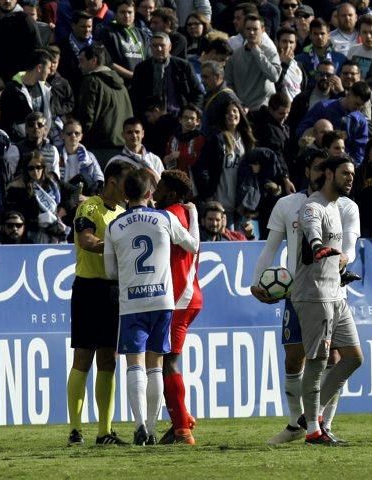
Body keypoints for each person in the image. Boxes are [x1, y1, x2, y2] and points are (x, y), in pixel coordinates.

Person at [252, 149, 360, 444]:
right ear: (314, 172)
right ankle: (298, 424)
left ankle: (319, 421)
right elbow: (271, 247)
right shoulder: (291, 205)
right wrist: (255, 281)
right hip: (301, 290)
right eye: (316, 168)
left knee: (339, 358)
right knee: (295, 360)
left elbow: (349, 245)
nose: (321, 173)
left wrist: (342, 260)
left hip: (334, 290)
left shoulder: (346, 207)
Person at [104, 169, 199, 446]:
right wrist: (192, 217)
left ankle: (139, 425)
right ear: (149, 193)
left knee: (134, 364)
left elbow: (111, 271)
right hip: (162, 300)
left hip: (131, 301)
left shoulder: (115, 226)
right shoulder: (165, 217)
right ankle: (154, 427)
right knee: (156, 366)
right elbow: (192, 245)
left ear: (126, 193)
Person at [291, 155, 363, 445]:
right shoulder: (313, 206)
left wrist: (341, 267)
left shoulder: (336, 207)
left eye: (353, 174)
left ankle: (315, 413)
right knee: (318, 360)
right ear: (329, 173)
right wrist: (318, 247)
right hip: (314, 295)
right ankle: (312, 431)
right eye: (345, 173)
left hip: (336, 293)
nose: (350, 178)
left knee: (354, 358)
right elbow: (312, 234)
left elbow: (335, 249)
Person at [66, 160, 134, 446]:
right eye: (126, 183)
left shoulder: (124, 212)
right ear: (112, 181)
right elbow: (86, 241)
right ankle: (75, 430)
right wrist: (118, 244)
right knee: (83, 356)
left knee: (109, 360)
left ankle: (105, 432)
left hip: (114, 291)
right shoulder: (89, 207)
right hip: (89, 288)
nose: (130, 190)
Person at [151, 170, 201, 445]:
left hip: (179, 297)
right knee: (165, 359)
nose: (154, 192)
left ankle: (182, 428)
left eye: (158, 187)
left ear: (170, 193)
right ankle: (179, 420)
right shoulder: (184, 213)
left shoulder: (171, 214)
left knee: (168, 360)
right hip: (187, 294)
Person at [193, 101, 255, 229]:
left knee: (240, 243)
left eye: (235, 111)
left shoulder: (246, 139)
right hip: (220, 204)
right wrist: (208, 194)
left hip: (241, 206)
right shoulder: (216, 139)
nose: (231, 114)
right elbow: (202, 167)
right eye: (227, 112)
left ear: (241, 115)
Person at [76, 44, 134, 156]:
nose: (79, 65)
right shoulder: (122, 86)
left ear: (93, 60)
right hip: (123, 147)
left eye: (82, 61)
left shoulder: (91, 81)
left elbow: (86, 115)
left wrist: (82, 139)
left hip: (99, 148)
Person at [296, 81, 371, 165]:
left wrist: (353, 166)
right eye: (356, 104)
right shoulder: (323, 107)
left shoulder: (360, 120)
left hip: (344, 166)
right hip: (318, 161)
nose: (358, 108)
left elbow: (360, 149)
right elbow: (302, 130)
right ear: (349, 94)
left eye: (362, 106)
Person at [131, 32, 204, 117]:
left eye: (162, 45)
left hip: (177, 117)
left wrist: (191, 113)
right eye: (155, 46)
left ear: (170, 47)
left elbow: (198, 92)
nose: (159, 49)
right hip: (149, 118)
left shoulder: (183, 66)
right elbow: (134, 95)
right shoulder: (142, 68)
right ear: (150, 47)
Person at [60, 119, 104, 195]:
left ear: (81, 137)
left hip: (86, 196)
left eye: (76, 133)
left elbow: (99, 179)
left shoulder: (89, 156)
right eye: (69, 133)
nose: (73, 136)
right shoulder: (57, 155)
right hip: (64, 196)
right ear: (62, 135)